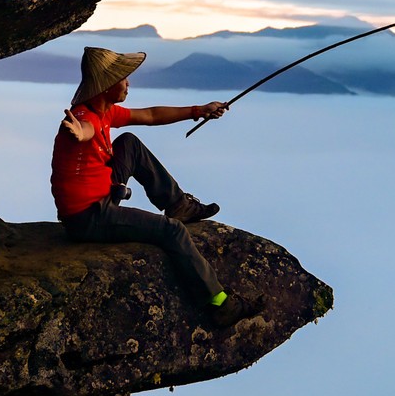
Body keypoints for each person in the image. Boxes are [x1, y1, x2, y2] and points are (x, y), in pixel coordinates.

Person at [52, 46, 264, 325]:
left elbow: (150, 115)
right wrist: (79, 134)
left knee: (129, 143)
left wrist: (199, 110)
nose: (128, 83)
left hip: (99, 195)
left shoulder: (104, 111)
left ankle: (178, 205)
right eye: (123, 78)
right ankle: (219, 303)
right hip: (88, 217)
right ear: (105, 86)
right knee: (172, 232)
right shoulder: (84, 119)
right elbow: (85, 130)